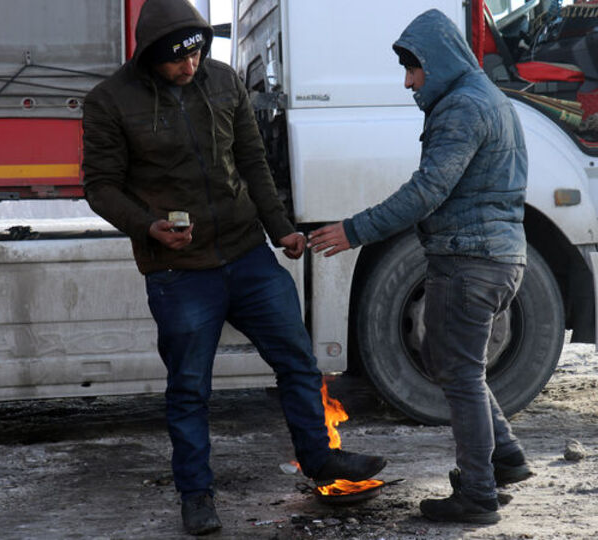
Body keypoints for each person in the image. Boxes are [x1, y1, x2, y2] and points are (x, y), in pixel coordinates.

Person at [80, 0, 386, 535]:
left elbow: (252, 161)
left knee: (297, 360)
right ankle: (196, 496)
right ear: (150, 56)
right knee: (190, 387)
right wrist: (149, 227)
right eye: (177, 60)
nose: (189, 67)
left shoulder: (222, 81)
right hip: (178, 272)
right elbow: (100, 186)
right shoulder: (109, 102)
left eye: (196, 54)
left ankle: (321, 461)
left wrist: (281, 228)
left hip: (247, 253)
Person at [308, 8, 533, 525]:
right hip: (494, 256)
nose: (409, 82)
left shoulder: (462, 108)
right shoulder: (486, 99)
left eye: (414, 69)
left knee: (460, 375)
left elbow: (428, 191)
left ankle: (478, 494)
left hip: (469, 260)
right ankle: (506, 457)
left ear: (438, 61)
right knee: (445, 358)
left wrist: (353, 230)